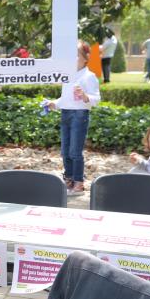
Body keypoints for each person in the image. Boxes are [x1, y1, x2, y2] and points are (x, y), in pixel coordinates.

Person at [47, 41, 101, 196]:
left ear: (86, 58)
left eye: (75, 55)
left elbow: (96, 98)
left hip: (80, 115)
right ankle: (69, 179)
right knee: (65, 151)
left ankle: (78, 183)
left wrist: (85, 96)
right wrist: (54, 104)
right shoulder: (67, 76)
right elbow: (65, 99)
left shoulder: (89, 77)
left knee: (75, 152)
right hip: (66, 114)